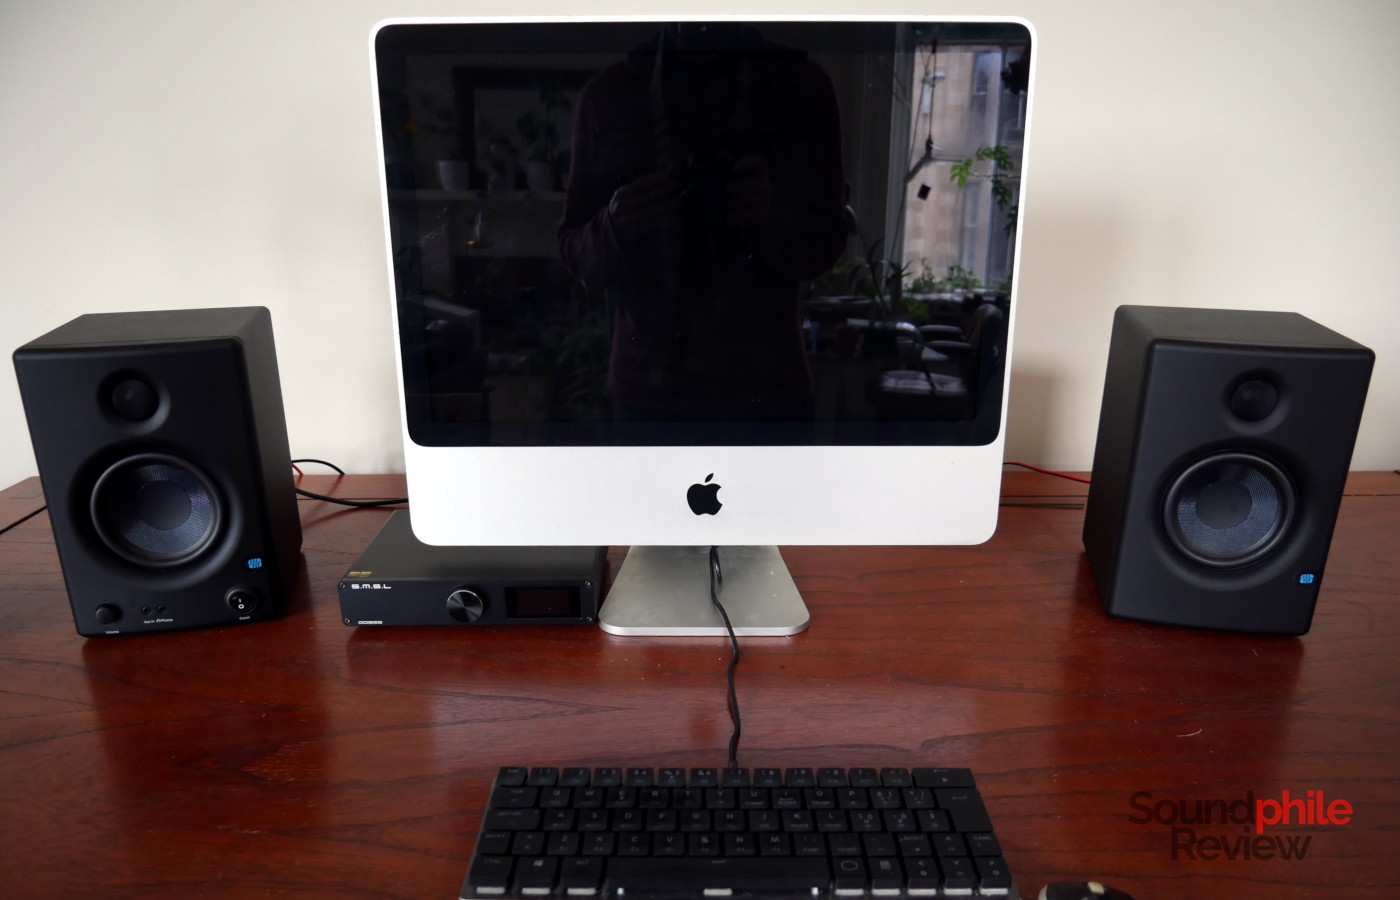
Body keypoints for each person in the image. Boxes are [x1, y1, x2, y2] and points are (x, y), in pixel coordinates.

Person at [557, 23, 847, 421]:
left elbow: (825, 243)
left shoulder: (800, 88)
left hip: (722, 388)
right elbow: (576, 253)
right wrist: (614, 222)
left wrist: (768, 218)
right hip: (726, 386)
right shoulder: (610, 95)